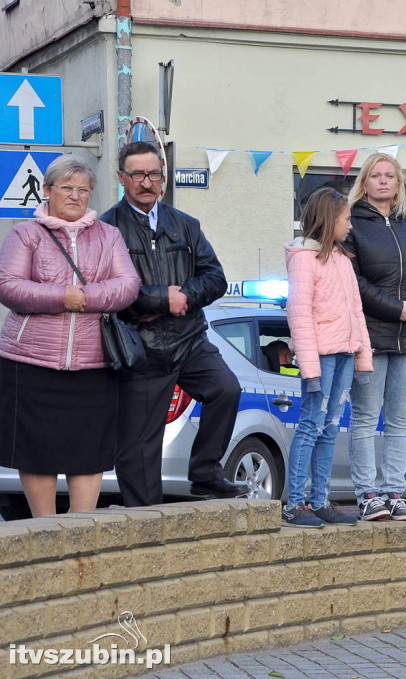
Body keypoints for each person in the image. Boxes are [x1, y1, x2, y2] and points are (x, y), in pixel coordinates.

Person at [100, 141, 248, 506]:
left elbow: (215, 278)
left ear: (163, 180)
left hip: (189, 340)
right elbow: (106, 290)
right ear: (122, 178)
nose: (145, 182)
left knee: (225, 389)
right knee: (140, 443)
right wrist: (157, 299)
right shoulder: (107, 229)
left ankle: (206, 474)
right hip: (140, 346)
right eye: (136, 174)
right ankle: (145, 517)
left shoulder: (185, 225)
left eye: (152, 174)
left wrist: (182, 296)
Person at [0, 155, 140, 517]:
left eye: (84, 190)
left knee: (88, 451)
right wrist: (62, 296)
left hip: (94, 361)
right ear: (46, 191)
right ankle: (44, 530)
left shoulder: (109, 235)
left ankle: (80, 530)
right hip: (30, 359)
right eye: (66, 188)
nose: (76, 196)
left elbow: (128, 286)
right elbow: (9, 287)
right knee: (36, 450)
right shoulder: (25, 233)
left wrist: (86, 297)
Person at [346, 153, 406, 522]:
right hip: (371, 333)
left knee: (401, 418)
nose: (383, 181)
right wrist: (395, 307)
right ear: (365, 183)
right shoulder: (352, 225)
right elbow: (354, 281)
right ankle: (367, 494)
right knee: (366, 416)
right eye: (376, 175)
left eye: (390, 175)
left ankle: (394, 492)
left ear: (399, 183)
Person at [282, 187, 372, 527]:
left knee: (331, 428)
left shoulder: (342, 260)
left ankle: (319, 500)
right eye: (346, 219)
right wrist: (310, 368)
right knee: (311, 425)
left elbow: (357, 312)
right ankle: (294, 504)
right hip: (321, 357)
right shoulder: (304, 260)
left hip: (345, 355)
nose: (350, 226)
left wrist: (363, 357)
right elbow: (299, 314)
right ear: (328, 220)